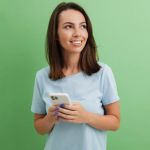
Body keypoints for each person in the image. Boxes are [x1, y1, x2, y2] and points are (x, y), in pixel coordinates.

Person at [31, 2, 120, 150]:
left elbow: (115, 122)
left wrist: (86, 117)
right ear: (56, 35)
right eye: (68, 26)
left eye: (83, 26)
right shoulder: (42, 77)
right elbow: (39, 127)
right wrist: (50, 119)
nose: (78, 33)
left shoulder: (103, 72)